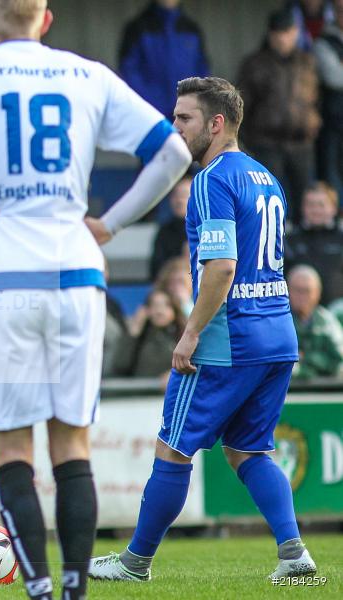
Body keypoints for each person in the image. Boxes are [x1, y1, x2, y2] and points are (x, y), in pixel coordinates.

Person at [0, 1, 191, 598]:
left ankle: (35, 586)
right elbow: (174, 153)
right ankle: (75, 588)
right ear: (47, 20)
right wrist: (109, 225)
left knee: (12, 447)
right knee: (71, 443)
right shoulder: (86, 74)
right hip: (73, 271)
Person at [89, 77, 316, 583]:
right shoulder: (265, 178)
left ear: (216, 124)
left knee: (173, 446)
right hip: (277, 334)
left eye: (184, 118)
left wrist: (190, 333)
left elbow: (221, 267)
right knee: (249, 448)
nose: (175, 127)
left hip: (228, 338)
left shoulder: (212, 180)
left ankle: (134, 563)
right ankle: (294, 554)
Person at [237, 8, 321, 223]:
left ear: (296, 32)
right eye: (278, 33)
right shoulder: (254, 64)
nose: (283, 38)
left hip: (302, 144)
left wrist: (313, 124)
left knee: (306, 199)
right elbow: (240, 106)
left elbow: (318, 100)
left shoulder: (308, 63)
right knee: (271, 200)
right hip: (266, 144)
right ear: (270, 35)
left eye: (287, 32)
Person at [118, 0, 210, 120]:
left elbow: (202, 72)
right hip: (151, 118)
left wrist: (192, 106)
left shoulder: (191, 29)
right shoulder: (136, 29)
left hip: (187, 118)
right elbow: (129, 73)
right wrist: (154, 106)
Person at [285, 181, 343, 303]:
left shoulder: (340, 237)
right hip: (299, 314)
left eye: (321, 205)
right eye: (310, 205)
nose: (315, 210)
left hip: (337, 313)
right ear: (302, 207)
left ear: (334, 207)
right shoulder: (290, 239)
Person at [288, 264, 343, 378]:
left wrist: (308, 359)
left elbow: (339, 360)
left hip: (322, 389)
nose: (302, 296)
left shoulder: (326, 321)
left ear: (317, 293)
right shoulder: (280, 322)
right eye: (297, 290)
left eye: (307, 291)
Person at [314, 0, 343, 199]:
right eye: (340, 10)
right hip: (335, 122)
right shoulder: (325, 41)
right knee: (334, 176)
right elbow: (335, 78)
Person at [122, 289, 186, 378]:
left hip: (173, 390)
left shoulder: (184, 337)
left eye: (166, 305)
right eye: (155, 306)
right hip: (140, 390)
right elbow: (120, 366)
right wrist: (134, 333)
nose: (159, 311)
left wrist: (175, 373)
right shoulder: (139, 338)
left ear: (175, 310)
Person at [149, 175, 191, 279]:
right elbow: (155, 270)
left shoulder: (207, 229)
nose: (179, 201)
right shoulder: (165, 231)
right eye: (176, 196)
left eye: (185, 195)